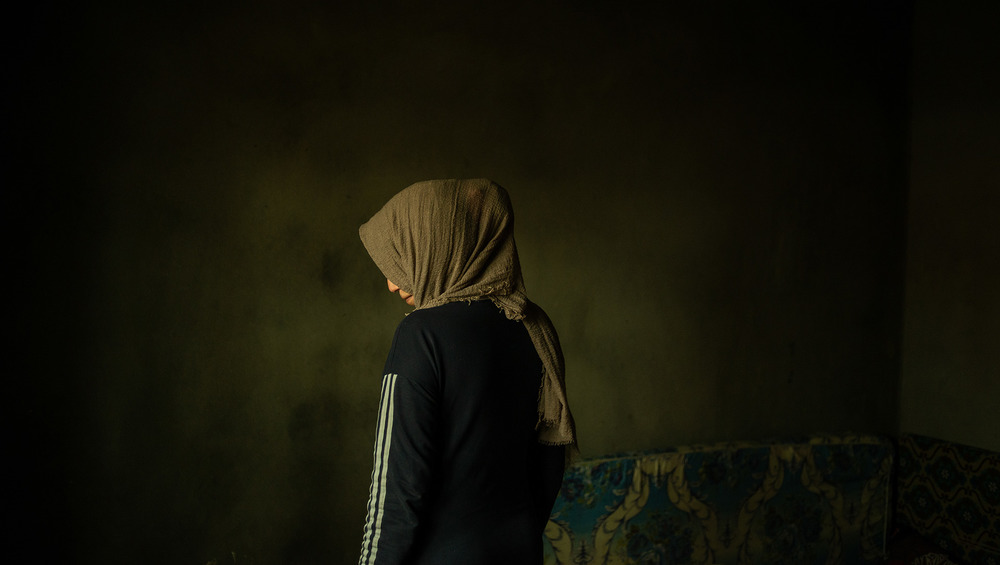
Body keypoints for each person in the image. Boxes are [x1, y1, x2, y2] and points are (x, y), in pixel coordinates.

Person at [357, 179, 578, 565]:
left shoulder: (420, 335)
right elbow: (548, 467)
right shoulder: (534, 328)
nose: (392, 284)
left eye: (400, 258)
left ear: (437, 244)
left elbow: (394, 498)